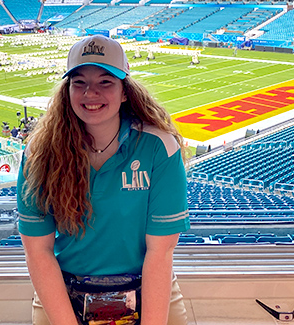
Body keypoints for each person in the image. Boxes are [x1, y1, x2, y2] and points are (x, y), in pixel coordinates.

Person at [17, 35, 190, 325]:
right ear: (67, 90)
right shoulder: (39, 153)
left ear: (125, 91)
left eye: (105, 82)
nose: (90, 93)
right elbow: (38, 251)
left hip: (148, 289)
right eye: (79, 82)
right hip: (63, 291)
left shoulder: (159, 147)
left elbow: (160, 253)